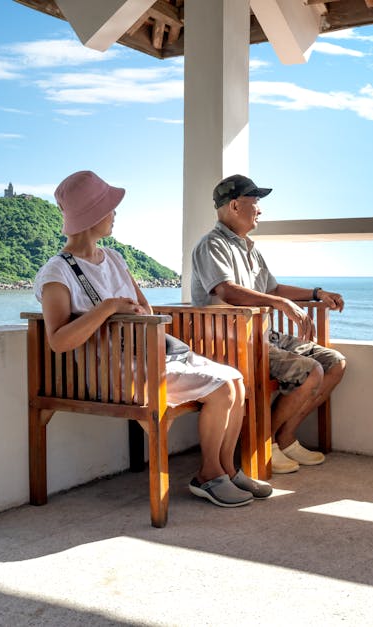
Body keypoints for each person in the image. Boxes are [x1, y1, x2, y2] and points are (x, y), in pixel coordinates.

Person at [34, 170, 271, 507]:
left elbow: (143, 304)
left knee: (235, 380)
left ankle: (227, 470)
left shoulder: (113, 258)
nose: (115, 214)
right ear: (92, 213)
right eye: (109, 207)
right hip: (112, 372)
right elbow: (58, 340)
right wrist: (108, 308)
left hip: (149, 356)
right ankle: (208, 475)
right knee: (221, 389)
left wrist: (133, 310)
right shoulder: (57, 272)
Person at [191, 174, 346, 474]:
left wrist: (316, 293)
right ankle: (261, 444)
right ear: (235, 205)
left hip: (263, 335)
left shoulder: (250, 247)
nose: (260, 210)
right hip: (229, 342)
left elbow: (272, 290)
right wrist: (279, 303)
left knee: (334, 363)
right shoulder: (212, 245)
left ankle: (284, 438)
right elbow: (226, 290)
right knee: (310, 371)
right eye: (255, 202)